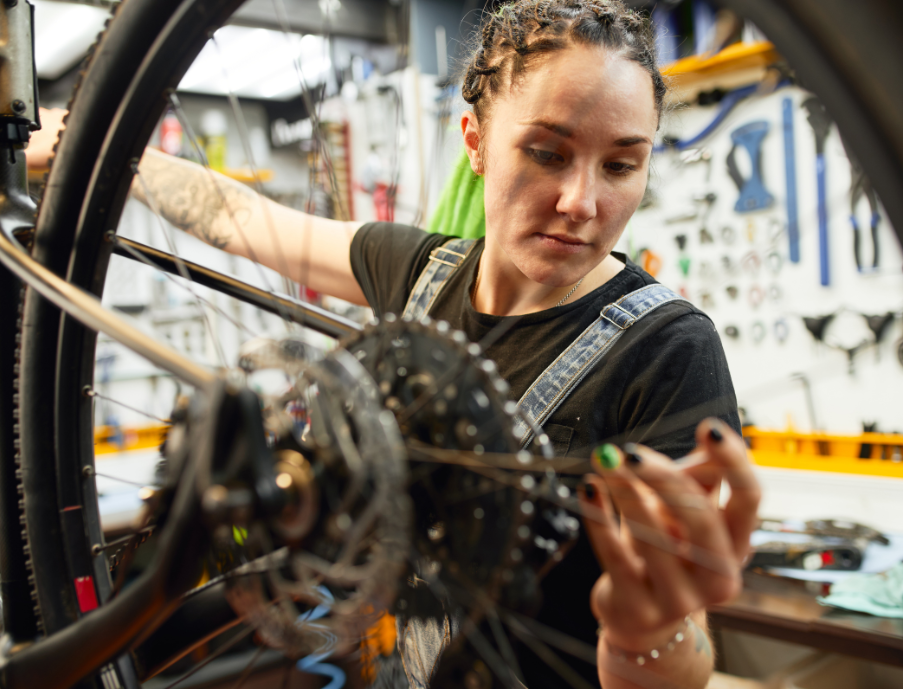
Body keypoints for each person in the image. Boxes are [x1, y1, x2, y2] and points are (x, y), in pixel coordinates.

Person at [28, 2, 760, 687]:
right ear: (475, 144)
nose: (583, 202)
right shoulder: (420, 273)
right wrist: (84, 143)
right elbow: (239, 216)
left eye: (621, 165)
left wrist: (646, 632)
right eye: (546, 152)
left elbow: (685, 656)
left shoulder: (668, 350)